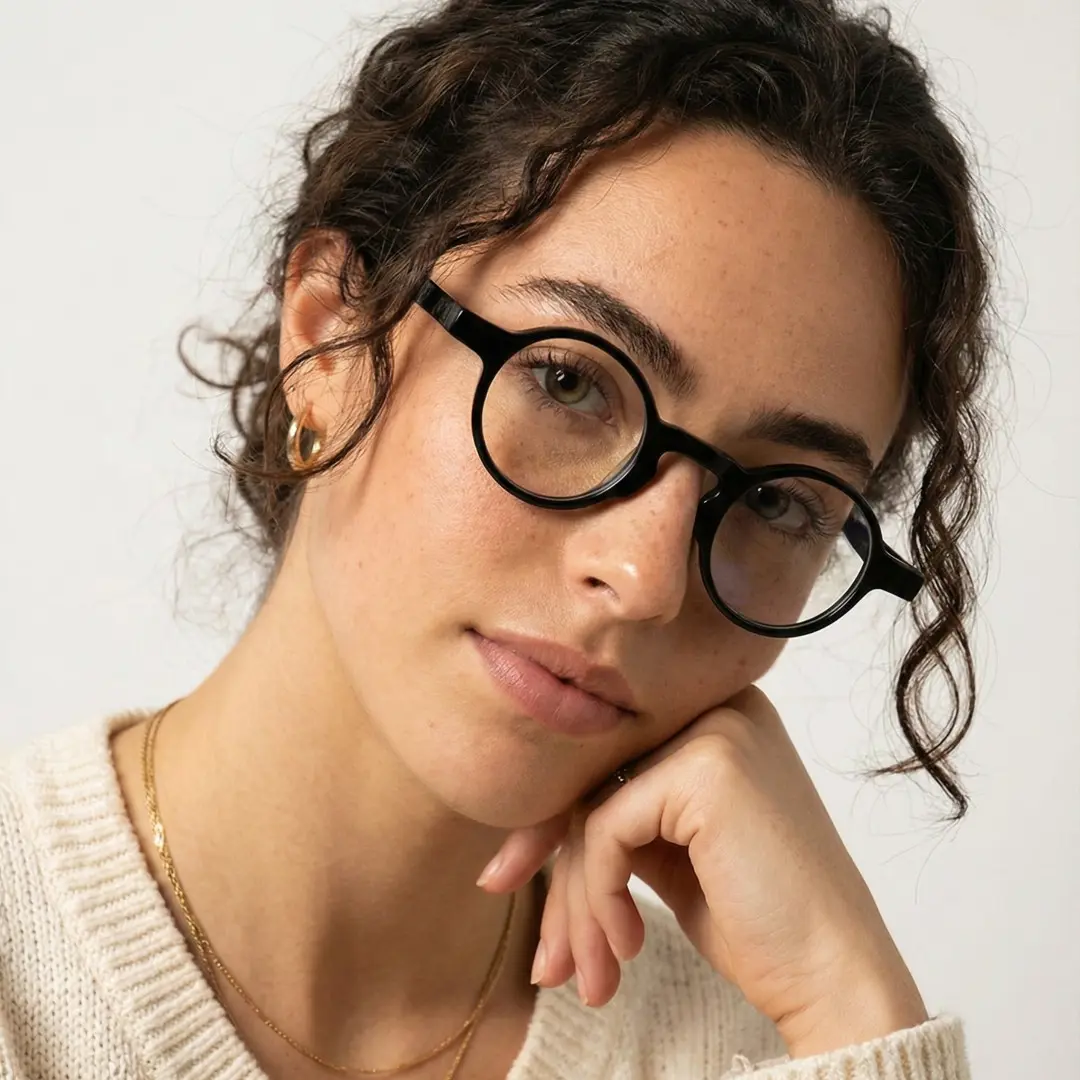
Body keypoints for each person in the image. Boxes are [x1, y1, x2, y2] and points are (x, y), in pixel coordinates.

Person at [0, 0, 995, 1077]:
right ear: (328, 336)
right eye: (568, 383)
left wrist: (852, 1006)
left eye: (774, 499)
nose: (646, 576)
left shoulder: (782, 1051)